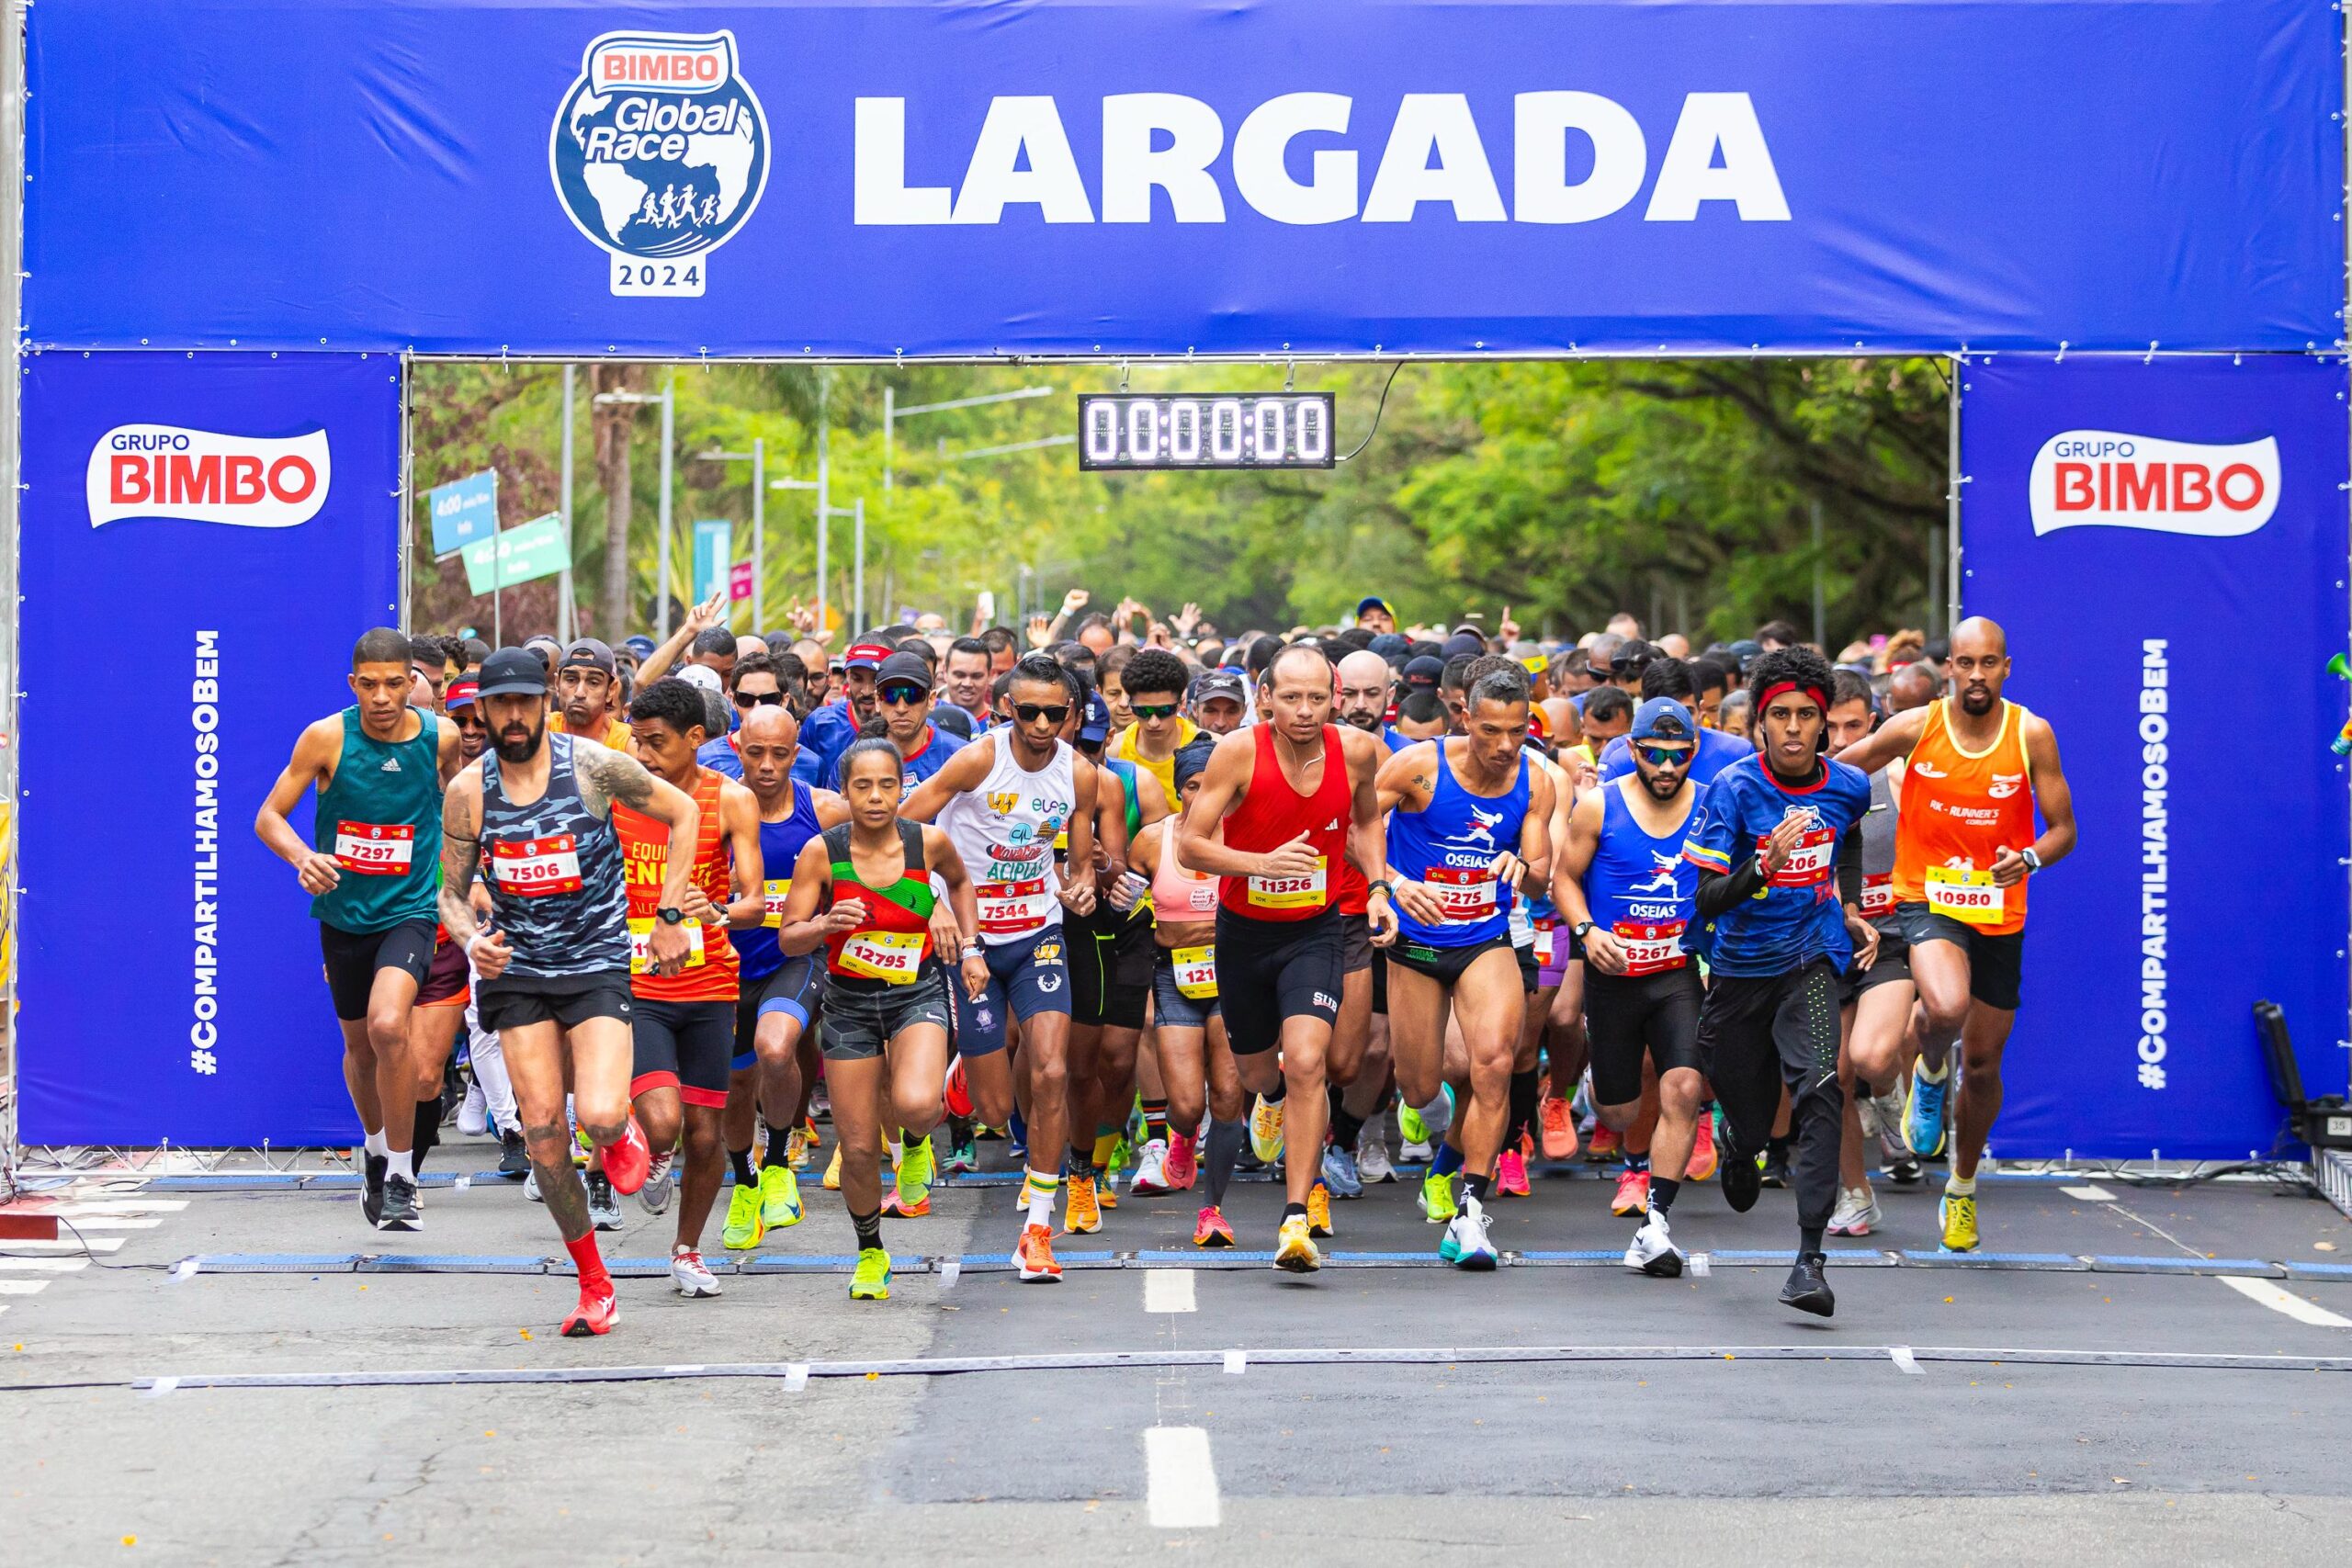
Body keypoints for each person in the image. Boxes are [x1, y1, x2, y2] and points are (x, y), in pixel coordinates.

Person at [434, 648, 704, 1337]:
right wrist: (471, 939)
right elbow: (451, 895)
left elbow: (683, 814)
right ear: (484, 711)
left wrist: (671, 913)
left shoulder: (591, 767)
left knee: (605, 1115)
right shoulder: (469, 790)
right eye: (501, 705)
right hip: (519, 969)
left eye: (527, 701)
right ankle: (593, 1280)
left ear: (546, 699)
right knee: (546, 1135)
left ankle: (621, 1134)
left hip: (594, 961)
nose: (515, 715)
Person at [1832, 616, 2076, 1253]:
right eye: (1965, 662)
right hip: (1928, 899)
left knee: (1988, 1063)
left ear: (2005, 668)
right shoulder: (1917, 725)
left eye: (1988, 663)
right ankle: (1931, 1065)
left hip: (1999, 911)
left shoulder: (2032, 734)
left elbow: (2062, 829)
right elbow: (1840, 769)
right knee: (1944, 1005)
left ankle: (1962, 1186)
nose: (1975, 674)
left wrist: (2027, 859)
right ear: (1949, 669)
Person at [1177, 646, 1394, 1272]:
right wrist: (1259, 863)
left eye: (1317, 698)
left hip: (1316, 930)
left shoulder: (1355, 751)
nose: (1304, 711)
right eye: (1290, 697)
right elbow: (1191, 844)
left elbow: (1368, 821)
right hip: (1244, 931)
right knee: (1256, 1074)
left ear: (1336, 698)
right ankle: (1268, 1100)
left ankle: (1295, 1215)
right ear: (1266, 696)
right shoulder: (1238, 751)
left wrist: (1378, 886)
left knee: (1308, 1062)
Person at [1682, 647, 1877, 1317]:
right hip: (1738, 969)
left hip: (1810, 958)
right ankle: (1742, 1137)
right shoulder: (1735, 790)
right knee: (1743, 1094)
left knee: (1823, 1084)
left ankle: (1809, 1259)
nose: (1794, 728)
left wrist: (1848, 907)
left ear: (1824, 724)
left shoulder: (1849, 785)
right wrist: (1763, 868)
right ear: (1759, 722)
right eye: (1780, 715)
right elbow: (1705, 897)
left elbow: (1847, 836)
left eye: (1807, 716)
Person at [902, 653, 1105, 1282]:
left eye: (1055, 712)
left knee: (1051, 1070)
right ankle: (965, 1070)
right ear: (1007, 708)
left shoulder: (1081, 774)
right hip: (973, 939)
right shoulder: (980, 760)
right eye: (1029, 711)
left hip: (1040, 931)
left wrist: (1081, 884)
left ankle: (1038, 1228)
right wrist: (932, 900)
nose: (1042, 723)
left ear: (1071, 713)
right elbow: (901, 825)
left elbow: (1079, 855)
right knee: (993, 1110)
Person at [255, 628, 461, 1231]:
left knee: (389, 1025)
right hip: (344, 916)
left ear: (413, 683)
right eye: (369, 684)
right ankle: (373, 1148)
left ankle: (401, 1173)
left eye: (395, 683)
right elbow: (269, 815)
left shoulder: (440, 737)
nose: (381, 696)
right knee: (359, 1048)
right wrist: (302, 857)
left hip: (411, 911)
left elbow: (461, 803)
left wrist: (463, 876)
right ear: (354, 684)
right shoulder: (326, 737)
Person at [774, 739, 982, 1301]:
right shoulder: (823, 852)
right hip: (847, 1004)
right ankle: (871, 1252)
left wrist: (970, 945)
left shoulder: (928, 842)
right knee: (860, 1148)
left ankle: (916, 1144)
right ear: (845, 791)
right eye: (862, 786)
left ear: (902, 787)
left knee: (917, 1103)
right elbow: (790, 938)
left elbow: (961, 884)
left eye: (887, 785)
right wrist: (824, 924)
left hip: (915, 992)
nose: (875, 797)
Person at [1376, 666, 1553, 1269]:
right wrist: (1393, 883)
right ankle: (1443, 1146)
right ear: (1464, 717)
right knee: (1422, 1084)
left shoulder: (1535, 781)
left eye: (1518, 730)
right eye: (1491, 731)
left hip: (1486, 937)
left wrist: (1519, 867)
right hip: (1419, 944)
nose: (1506, 746)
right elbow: (1356, 826)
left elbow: (1541, 870)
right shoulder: (1418, 767)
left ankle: (1470, 1211)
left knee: (1495, 1065)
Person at [610, 679, 765, 1298]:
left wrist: (721, 911)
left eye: (657, 743)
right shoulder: (617, 794)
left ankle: (687, 1250)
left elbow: (755, 901)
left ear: (696, 738)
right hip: (635, 982)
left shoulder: (731, 799)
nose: (644, 755)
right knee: (664, 1117)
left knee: (707, 1131)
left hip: (709, 985)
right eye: (637, 741)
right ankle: (645, 1142)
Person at [1554, 697, 1708, 1276]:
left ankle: (1656, 1223)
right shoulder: (1598, 806)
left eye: (1678, 756)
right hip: (1612, 974)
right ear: (1633, 753)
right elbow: (1564, 878)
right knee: (1617, 1113)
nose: (1666, 768)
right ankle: (1598, 1081)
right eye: (1653, 755)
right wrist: (1586, 931)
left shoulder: (1711, 806)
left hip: (1675, 973)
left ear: (1692, 752)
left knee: (1684, 1088)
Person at [718, 704, 831, 1249]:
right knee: (737, 1086)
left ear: (797, 754)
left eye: (780, 754)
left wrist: (942, 906)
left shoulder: (822, 809)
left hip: (793, 958)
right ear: (737, 746)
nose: (766, 765)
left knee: (778, 1049)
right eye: (755, 752)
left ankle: (781, 1156)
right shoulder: (711, 807)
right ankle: (744, 1183)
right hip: (726, 965)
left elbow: (897, 844)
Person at [1824, 670, 1917, 1237]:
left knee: (1873, 1059)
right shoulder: (1798, 785)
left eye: (1852, 726)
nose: (1838, 739)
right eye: (1828, 726)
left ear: (1873, 725)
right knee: (1830, 1075)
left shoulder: (1902, 779)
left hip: (1891, 939)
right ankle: (1856, 1195)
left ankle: (1888, 1088)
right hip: (1824, 946)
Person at [1597, 659, 1754, 784]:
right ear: (1646, 712)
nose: (1676, 725)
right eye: (1664, 716)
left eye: (1687, 712)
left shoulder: (1737, 754)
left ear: (1701, 710)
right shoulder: (1622, 761)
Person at [795, 640, 894, 792]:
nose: (867, 691)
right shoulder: (819, 723)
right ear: (848, 676)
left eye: (875, 680)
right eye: (857, 679)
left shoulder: (909, 728)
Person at [1107, 649, 1198, 801]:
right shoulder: (1113, 751)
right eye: (1143, 711)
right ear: (1131, 704)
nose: (1153, 722)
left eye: (1164, 711)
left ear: (1180, 704)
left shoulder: (1211, 749)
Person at [872, 650, 968, 791]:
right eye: (890, 695)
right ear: (877, 701)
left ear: (931, 700)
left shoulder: (961, 757)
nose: (901, 708)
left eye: (913, 695)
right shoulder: (856, 759)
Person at [696, 654, 787, 780]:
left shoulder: (811, 763)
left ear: (784, 701)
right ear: (733, 700)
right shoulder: (704, 758)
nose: (757, 707)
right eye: (746, 699)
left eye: (769, 699)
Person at [551, 637, 632, 750]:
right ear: (557, 684)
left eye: (593, 683)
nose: (579, 693)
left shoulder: (627, 742)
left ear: (611, 690)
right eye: (570, 680)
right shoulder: (541, 731)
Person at [943, 637, 995, 731]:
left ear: (990, 675)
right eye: (959, 675)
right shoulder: (928, 719)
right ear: (945, 672)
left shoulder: (999, 725)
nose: (967, 684)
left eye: (977, 676)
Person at [1188, 669, 1250, 737]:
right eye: (1211, 711)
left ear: (1244, 711)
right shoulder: (1178, 745)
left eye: (1231, 712)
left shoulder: (1254, 745)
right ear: (1195, 709)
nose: (1220, 723)